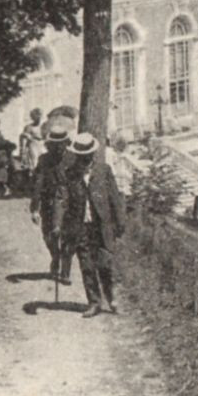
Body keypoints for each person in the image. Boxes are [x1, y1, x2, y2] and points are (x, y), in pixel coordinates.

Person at [59, 131, 126, 316]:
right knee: (86, 265)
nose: (84, 158)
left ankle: (111, 299)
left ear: (92, 154)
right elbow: (63, 202)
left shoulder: (104, 171)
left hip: (101, 226)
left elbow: (114, 198)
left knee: (105, 264)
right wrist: (62, 226)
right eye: (81, 155)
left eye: (87, 155)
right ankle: (94, 302)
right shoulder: (70, 174)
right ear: (77, 155)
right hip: (80, 226)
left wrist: (120, 223)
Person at [28, 116, 73, 281]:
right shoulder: (44, 160)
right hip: (48, 202)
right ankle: (55, 257)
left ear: (66, 142)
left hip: (69, 201)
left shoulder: (72, 158)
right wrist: (34, 209)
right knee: (49, 235)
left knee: (68, 235)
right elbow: (37, 185)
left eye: (63, 142)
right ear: (51, 144)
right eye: (56, 143)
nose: (60, 147)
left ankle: (66, 270)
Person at [17, 109, 45, 193]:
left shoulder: (44, 127)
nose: (39, 117)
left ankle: (41, 185)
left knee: (43, 164)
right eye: (37, 116)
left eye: (40, 115)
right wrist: (22, 150)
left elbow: (46, 136)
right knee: (34, 164)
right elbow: (23, 139)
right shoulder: (29, 127)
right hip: (33, 145)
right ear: (33, 117)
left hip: (42, 145)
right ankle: (32, 186)